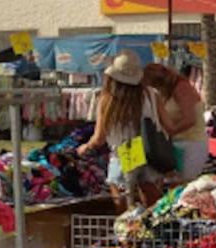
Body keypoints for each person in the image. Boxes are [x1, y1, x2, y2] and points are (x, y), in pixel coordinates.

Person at [77, 50, 176, 209]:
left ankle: (128, 231)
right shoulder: (151, 94)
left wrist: (84, 148)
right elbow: (170, 127)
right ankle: (153, 230)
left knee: (124, 204)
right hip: (150, 150)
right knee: (153, 205)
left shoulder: (108, 100)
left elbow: (99, 138)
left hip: (126, 150)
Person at [143, 63, 209, 182]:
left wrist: (170, 133)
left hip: (191, 143)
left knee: (185, 183)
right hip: (177, 143)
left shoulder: (181, 88)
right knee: (174, 183)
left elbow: (190, 119)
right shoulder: (165, 92)